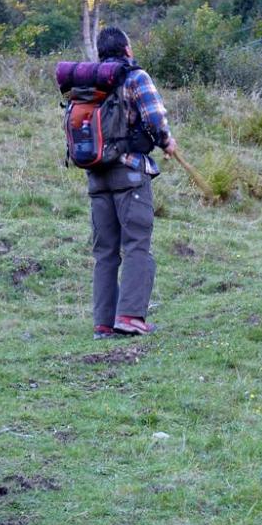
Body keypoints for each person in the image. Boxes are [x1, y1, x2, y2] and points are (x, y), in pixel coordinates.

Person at [88, 27, 177, 338]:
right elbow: (154, 118)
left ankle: (103, 323)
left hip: (96, 176)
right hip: (129, 174)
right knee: (137, 245)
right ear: (126, 49)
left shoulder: (87, 81)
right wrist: (167, 141)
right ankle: (130, 317)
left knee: (105, 252)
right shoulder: (135, 76)